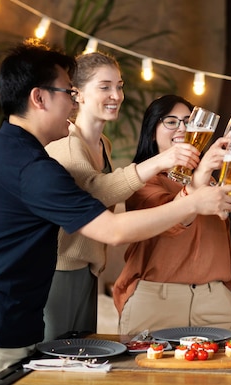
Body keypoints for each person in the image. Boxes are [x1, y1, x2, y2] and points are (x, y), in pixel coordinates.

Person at [0, 39, 231, 385]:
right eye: (68, 92)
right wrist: (192, 203)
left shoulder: (0, 147)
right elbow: (113, 231)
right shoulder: (35, 167)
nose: (72, 101)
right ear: (39, 97)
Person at [42, 53, 199, 340]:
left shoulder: (103, 144)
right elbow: (93, 193)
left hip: (86, 270)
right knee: (55, 365)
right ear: (77, 94)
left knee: (79, 361)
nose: (116, 95)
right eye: (104, 87)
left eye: (119, 86)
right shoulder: (65, 144)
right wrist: (159, 163)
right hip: (59, 272)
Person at [113, 95, 231, 336]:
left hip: (215, 301)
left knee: (219, 373)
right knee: (145, 372)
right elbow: (170, 224)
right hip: (156, 300)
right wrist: (200, 175)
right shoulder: (141, 181)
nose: (182, 128)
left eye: (188, 122)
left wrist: (227, 290)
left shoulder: (211, 181)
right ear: (152, 132)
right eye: (171, 122)